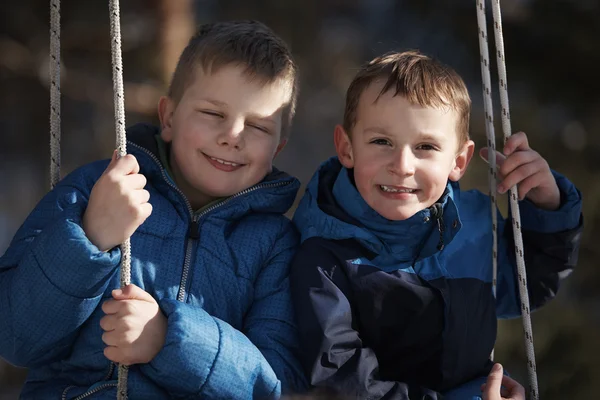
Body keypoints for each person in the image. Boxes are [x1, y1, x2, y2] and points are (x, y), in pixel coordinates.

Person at [0, 20, 307, 399]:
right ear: (168, 118)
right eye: (213, 113)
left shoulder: (276, 245)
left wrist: (171, 339)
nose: (233, 136)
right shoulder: (99, 188)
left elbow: (276, 385)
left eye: (258, 127)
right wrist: (90, 237)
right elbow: (15, 337)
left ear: (277, 148)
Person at [289, 50, 583, 399]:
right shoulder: (324, 256)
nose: (402, 165)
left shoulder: (475, 221)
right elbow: (340, 379)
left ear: (458, 161)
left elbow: (525, 286)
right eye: (382, 141)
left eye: (425, 146)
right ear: (347, 147)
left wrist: (547, 205)